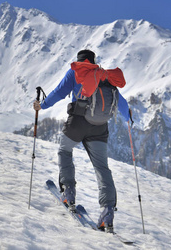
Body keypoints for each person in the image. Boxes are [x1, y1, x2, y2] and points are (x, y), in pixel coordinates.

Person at [33, 49, 131, 232]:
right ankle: (107, 212)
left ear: (79, 60)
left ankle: (68, 191)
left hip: (77, 123)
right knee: (102, 167)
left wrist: (42, 105)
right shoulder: (104, 75)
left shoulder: (75, 71)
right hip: (100, 127)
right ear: (93, 61)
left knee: (64, 150)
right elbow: (122, 102)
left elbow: (59, 92)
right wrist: (129, 118)